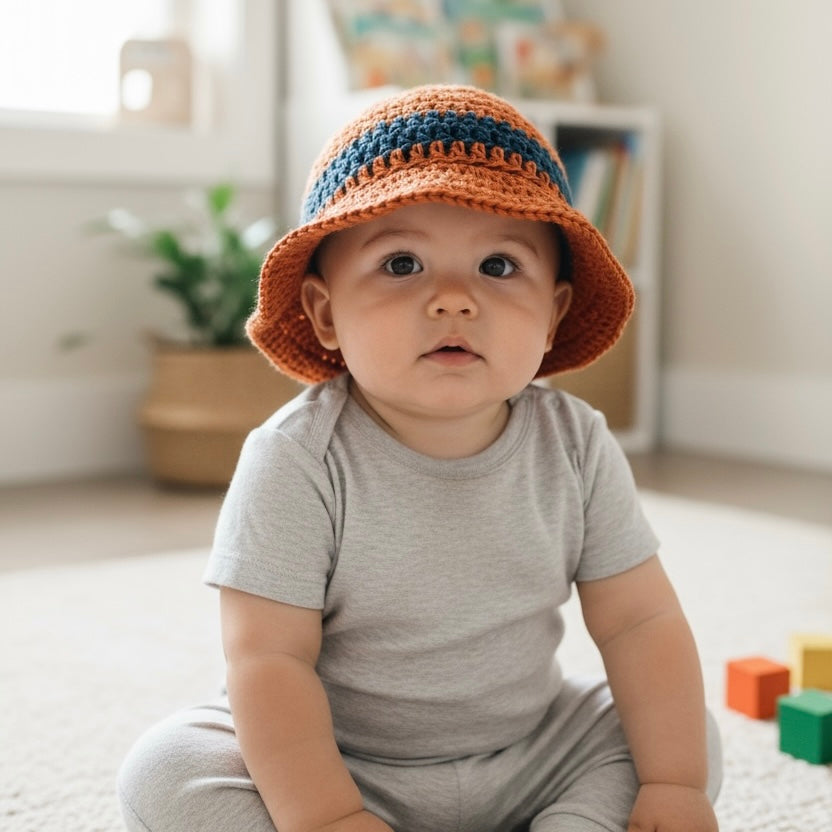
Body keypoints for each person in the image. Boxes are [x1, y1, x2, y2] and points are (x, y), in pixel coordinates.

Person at [118, 84, 722, 832]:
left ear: (553, 313)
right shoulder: (296, 458)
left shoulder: (576, 443)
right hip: (341, 759)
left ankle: (573, 819)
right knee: (167, 768)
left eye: (499, 265)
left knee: (685, 739)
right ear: (325, 313)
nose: (453, 300)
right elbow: (268, 660)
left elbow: (640, 621)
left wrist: (674, 784)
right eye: (402, 263)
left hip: (532, 751)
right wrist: (328, 816)